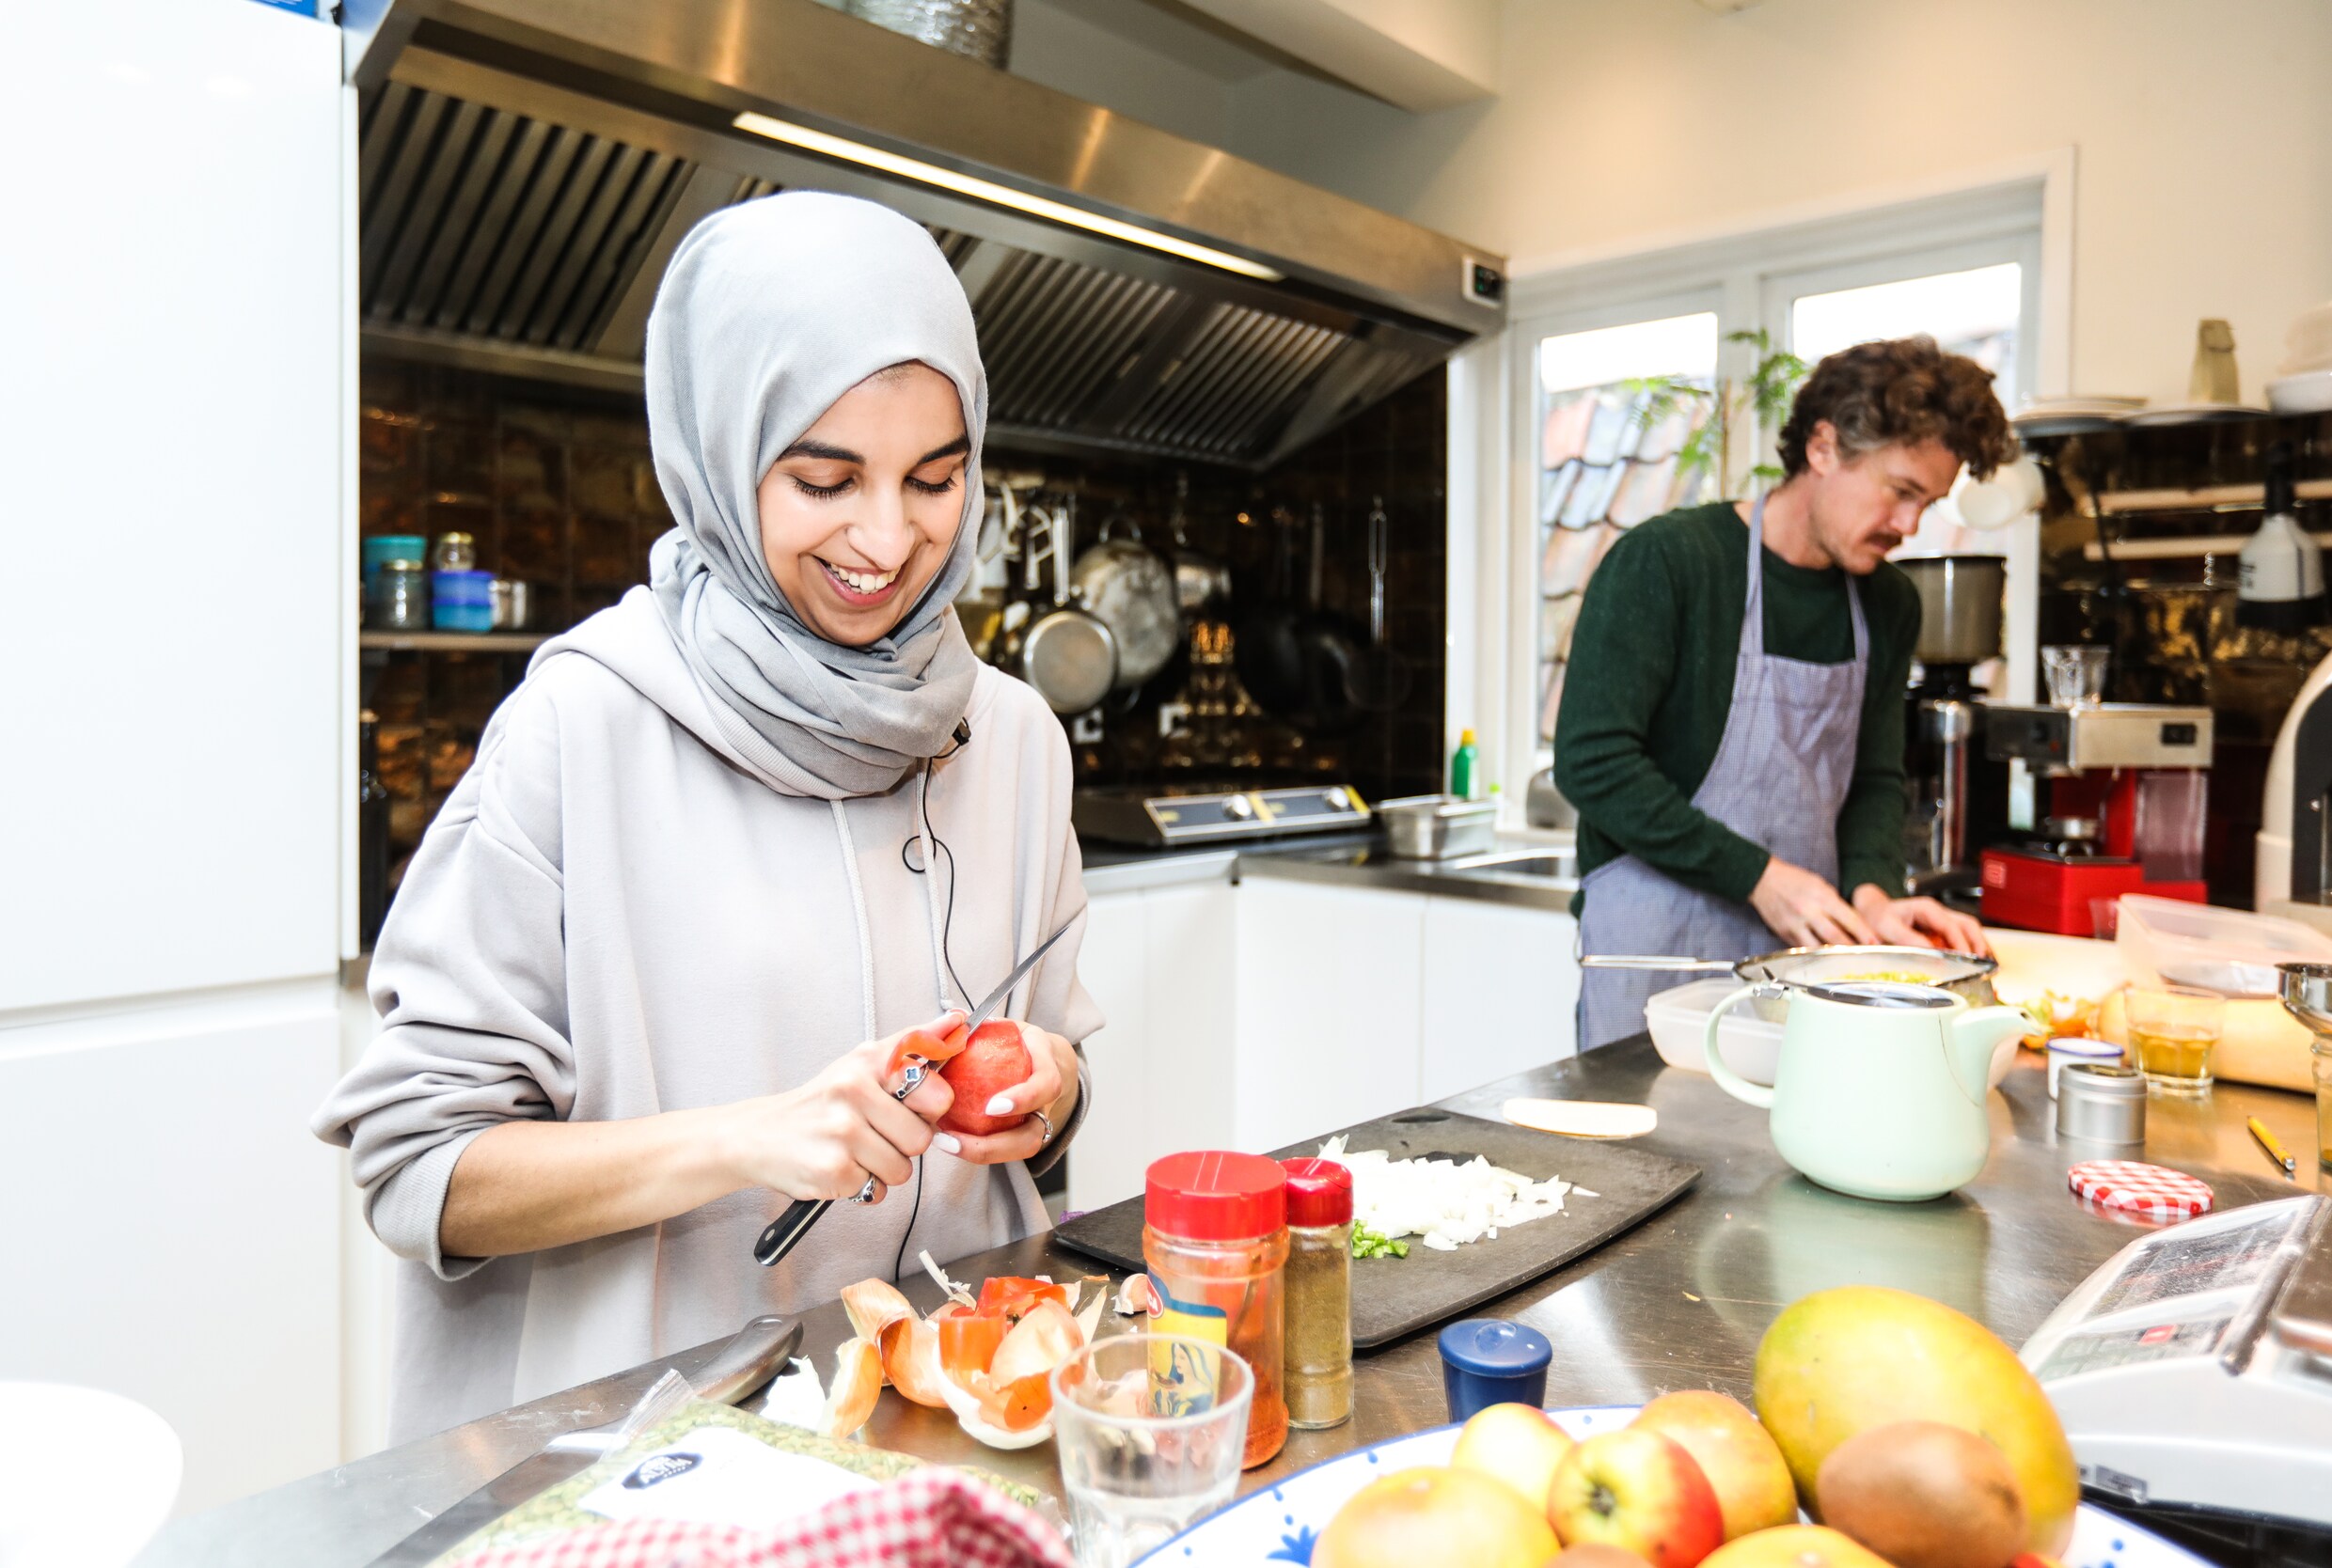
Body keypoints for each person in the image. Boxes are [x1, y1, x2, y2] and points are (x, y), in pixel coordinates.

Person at [315, 192, 1101, 1441]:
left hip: (948, 1436)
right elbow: (424, 1172)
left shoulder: (1012, 738)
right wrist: (754, 1139)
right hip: (658, 1459)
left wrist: (1048, 1093)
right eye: (824, 478)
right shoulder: (582, 728)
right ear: (720, 462)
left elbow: (1052, 1074)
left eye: (937, 478)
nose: (889, 538)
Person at [1557, 336, 2011, 1050]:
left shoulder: (1888, 604)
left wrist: (1873, 896)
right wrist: (1761, 878)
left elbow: (1872, 779)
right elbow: (1594, 762)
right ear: (1824, 448)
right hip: (1656, 966)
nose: (1910, 526)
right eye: (1900, 491)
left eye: (1928, 501)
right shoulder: (1670, 562)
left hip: (1807, 977)